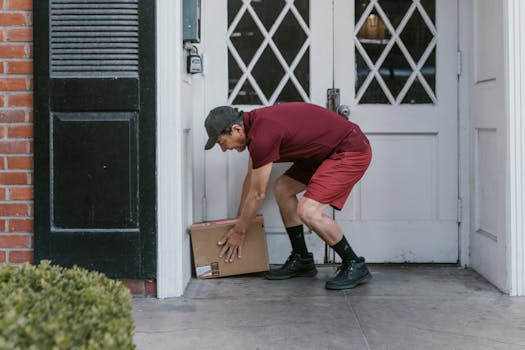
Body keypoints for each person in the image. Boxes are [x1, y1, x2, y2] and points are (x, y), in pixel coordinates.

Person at [203, 102, 372, 290]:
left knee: (308, 211)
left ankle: (355, 264)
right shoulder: (254, 129)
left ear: (236, 129)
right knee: (282, 188)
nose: (224, 149)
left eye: (221, 142)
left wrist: (240, 231)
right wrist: (238, 222)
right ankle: (302, 259)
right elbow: (251, 181)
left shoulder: (262, 136)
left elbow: (258, 194)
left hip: (349, 150)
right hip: (320, 155)